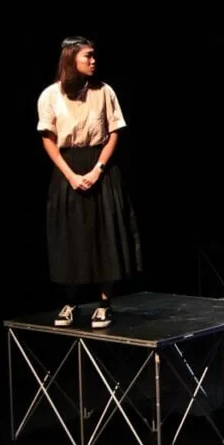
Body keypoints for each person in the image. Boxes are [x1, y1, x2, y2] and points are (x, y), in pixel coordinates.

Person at [36, 36, 142, 328]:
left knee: (105, 232)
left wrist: (98, 169)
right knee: (70, 235)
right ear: (71, 59)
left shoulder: (104, 91)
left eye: (94, 56)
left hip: (100, 166)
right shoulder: (50, 95)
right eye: (88, 56)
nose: (94, 61)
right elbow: (48, 138)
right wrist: (70, 175)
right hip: (67, 167)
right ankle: (71, 302)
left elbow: (115, 132)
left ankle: (104, 303)